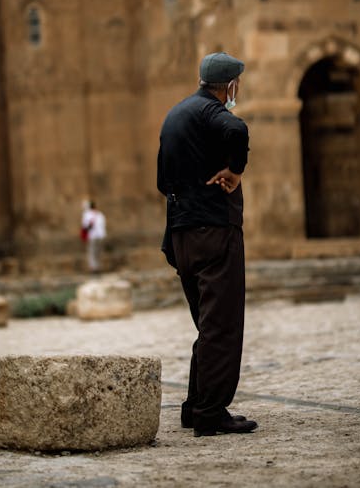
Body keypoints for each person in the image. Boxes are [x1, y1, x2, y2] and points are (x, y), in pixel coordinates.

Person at [157, 51, 258, 437]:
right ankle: (211, 413)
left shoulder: (175, 116)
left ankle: (195, 405)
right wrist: (234, 171)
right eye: (237, 84)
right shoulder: (210, 113)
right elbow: (237, 131)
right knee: (223, 325)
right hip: (213, 232)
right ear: (229, 85)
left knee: (207, 325)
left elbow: (162, 184)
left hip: (183, 235)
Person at [81, 200, 107, 273]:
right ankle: (98, 267)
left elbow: (85, 226)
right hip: (101, 235)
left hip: (92, 236)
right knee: (98, 252)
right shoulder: (100, 215)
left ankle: (93, 268)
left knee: (92, 252)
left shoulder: (87, 215)